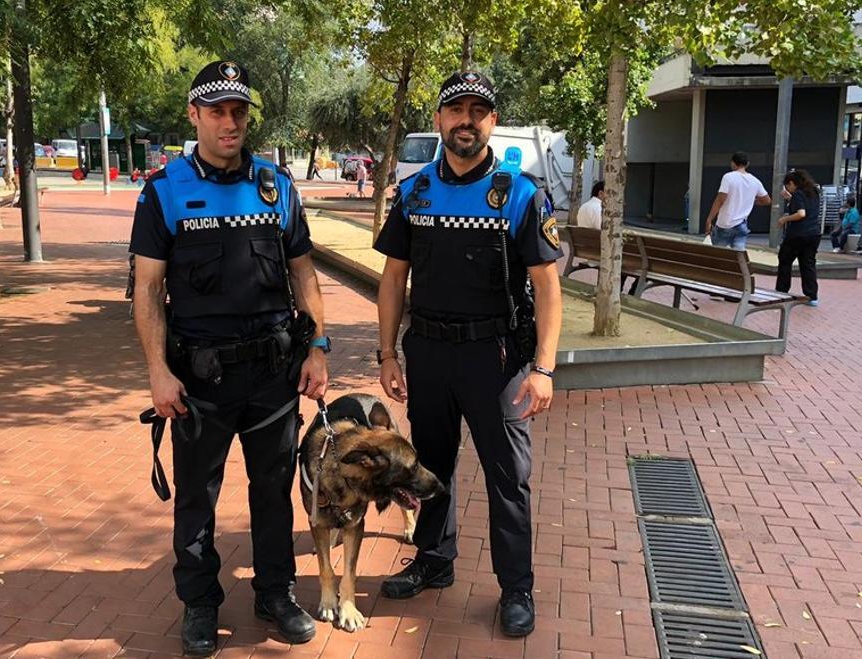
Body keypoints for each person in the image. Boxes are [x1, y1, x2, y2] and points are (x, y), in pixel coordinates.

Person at [129, 60, 328, 657]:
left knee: (272, 489)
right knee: (198, 497)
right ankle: (199, 602)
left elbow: (303, 273)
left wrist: (317, 347)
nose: (229, 121)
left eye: (238, 111)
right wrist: (158, 371)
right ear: (195, 115)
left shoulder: (276, 186)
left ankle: (275, 592)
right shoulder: (164, 191)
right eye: (216, 111)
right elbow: (146, 290)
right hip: (199, 379)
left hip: (273, 374)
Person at [374, 70, 563, 638]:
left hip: (496, 359)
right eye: (456, 110)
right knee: (431, 467)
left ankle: (516, 588)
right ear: (439, 119)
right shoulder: (415, 192)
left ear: (492, 123)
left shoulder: (520, 194)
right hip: (428, 352)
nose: (467, 121)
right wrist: (387, 353)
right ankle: (434, 561)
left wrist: (546, 367)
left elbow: (548, 285)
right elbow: (393, 278)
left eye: (479, 112)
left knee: (509, 476)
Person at [704, 151, 771, 250]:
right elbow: (767, 201)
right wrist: (751, 201)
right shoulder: (755, 181)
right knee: (739, 255)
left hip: (724, 224)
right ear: (747, 164)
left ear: (732, 163)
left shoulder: (728, 177)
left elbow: (720, 200)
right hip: (741, 225)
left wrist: (709, 220)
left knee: (719, 255)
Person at [775, 170, 821, 306]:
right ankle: (812, 296)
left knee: (785, 260)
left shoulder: (798, 194)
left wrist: (784, 219)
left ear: (792, 183)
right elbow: (806, 206)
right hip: (814, 234)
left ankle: (782, 291)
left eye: (787, 186)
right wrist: (790, 199)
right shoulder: (814, 192)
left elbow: (801, 213)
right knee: (808, 264)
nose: (788, 189)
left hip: (797, 234)